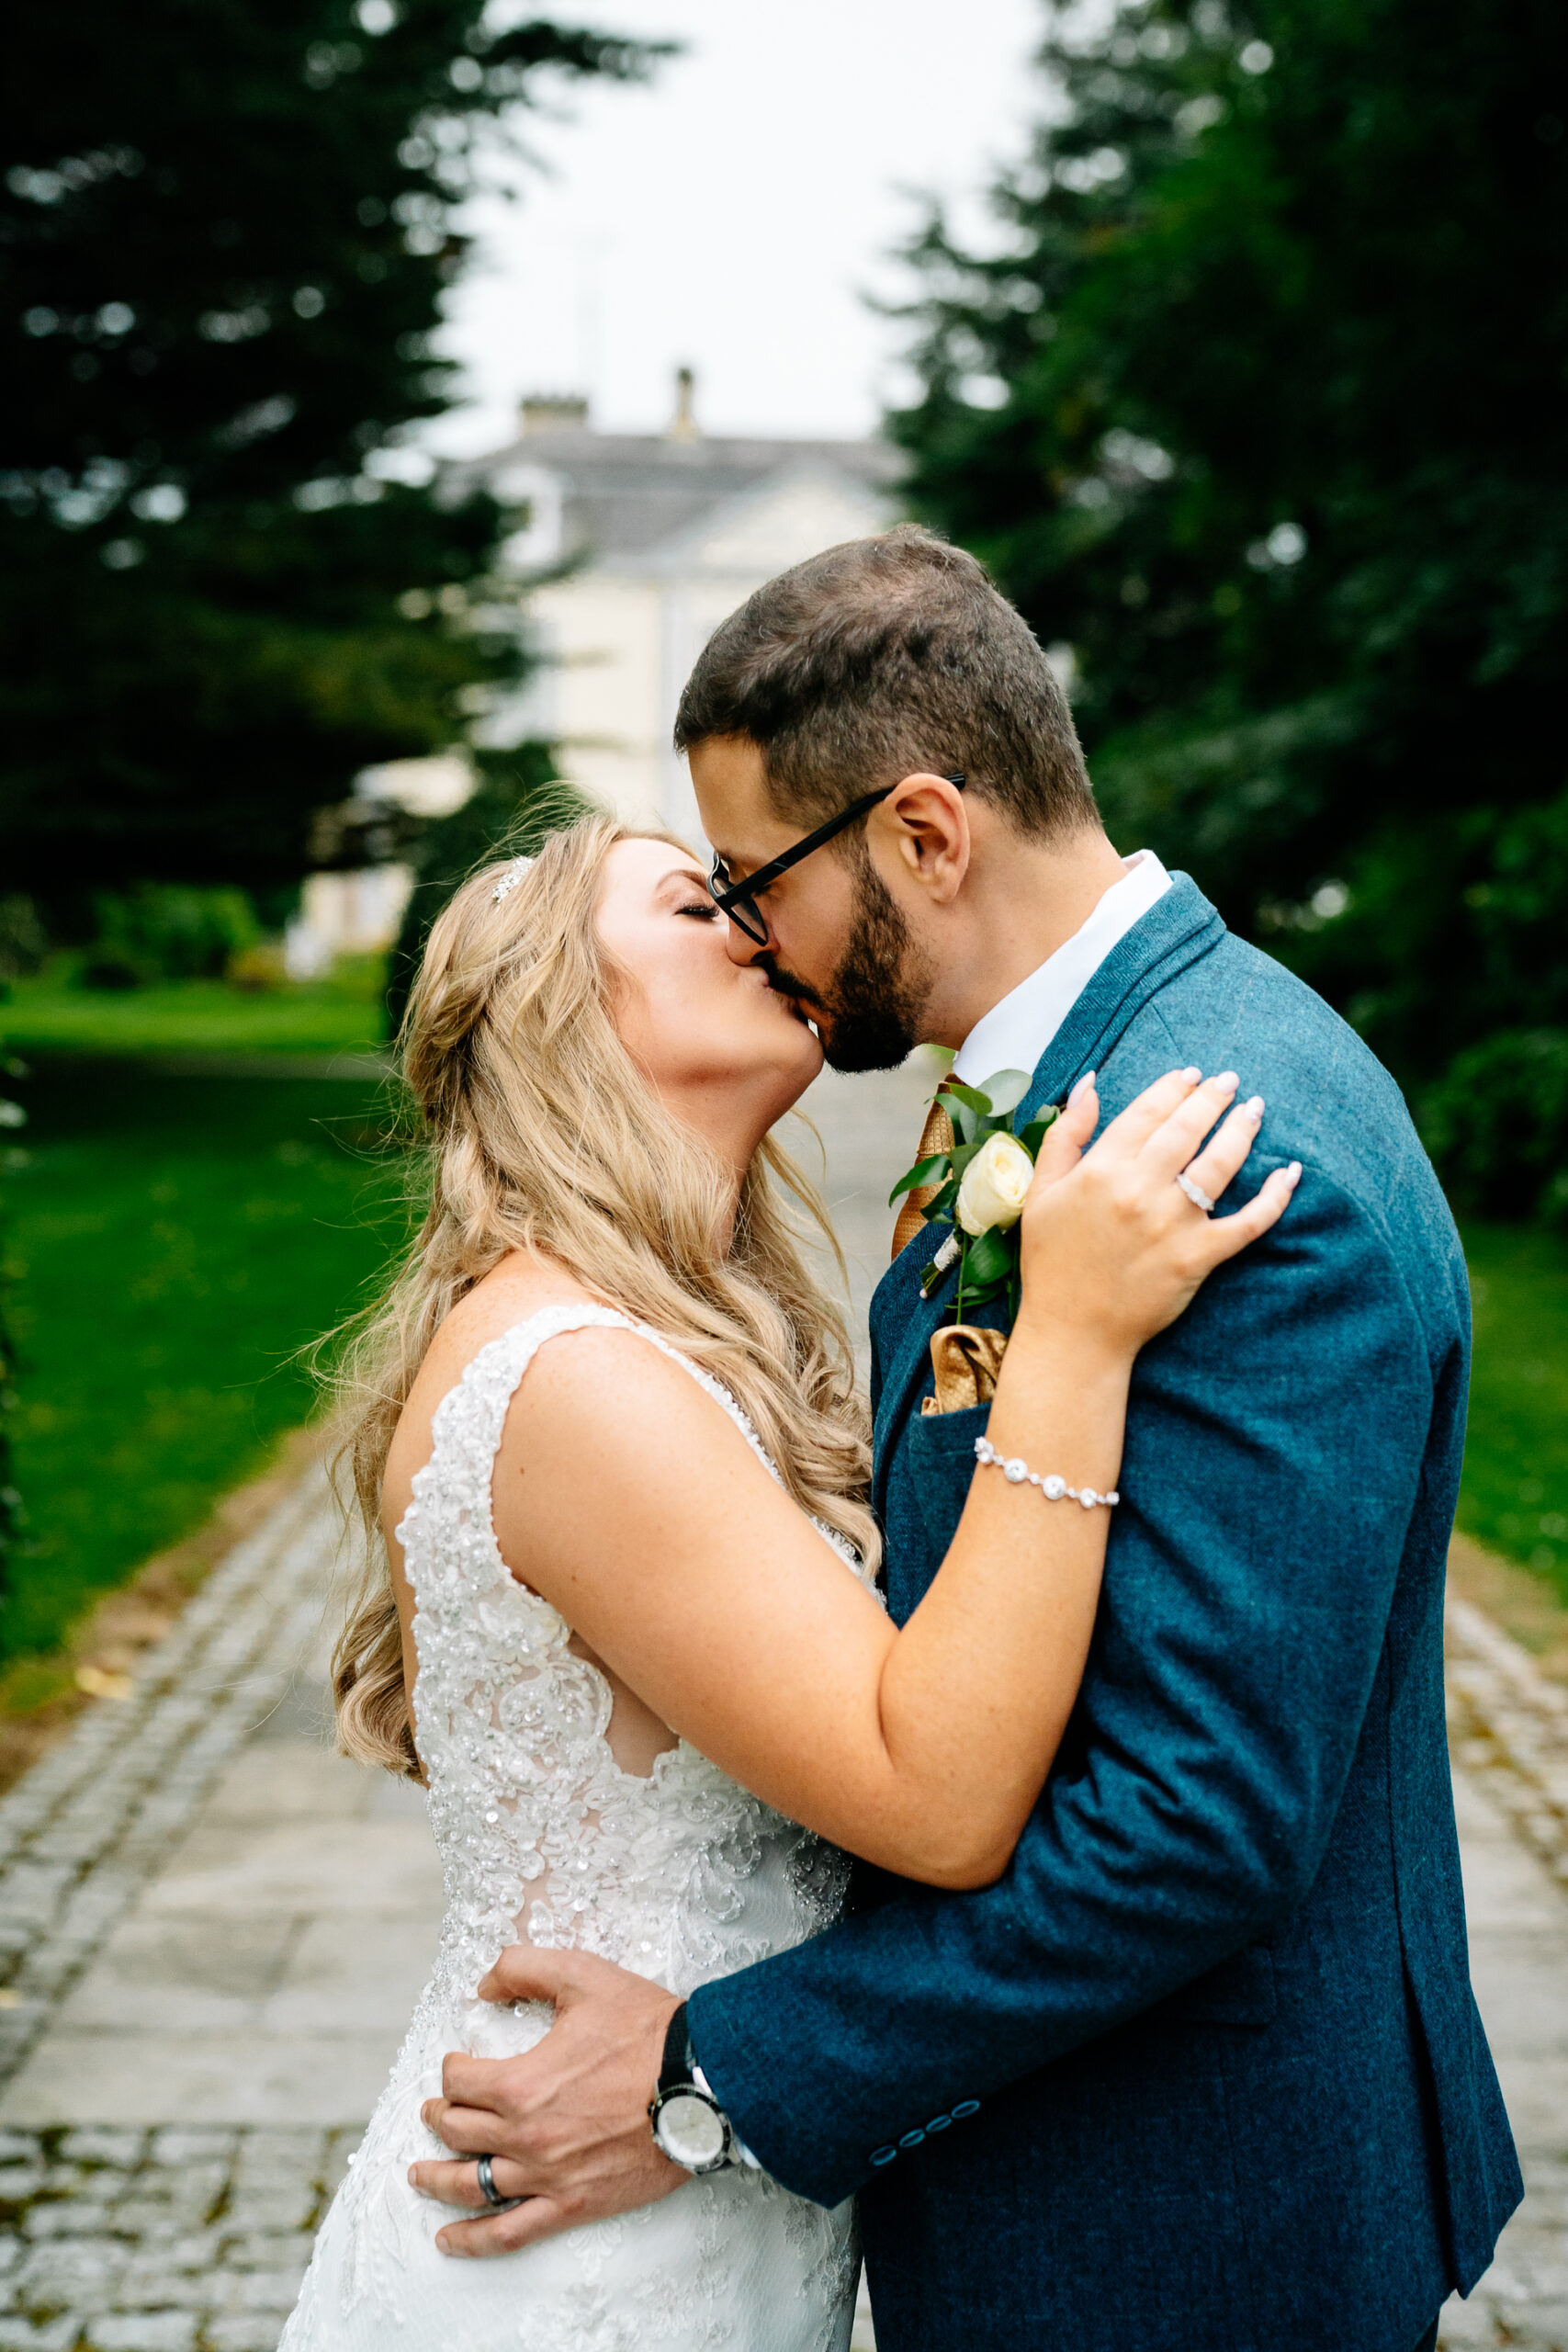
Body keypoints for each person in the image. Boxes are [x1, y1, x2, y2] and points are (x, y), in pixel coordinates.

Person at [410, 529, 1521, 2352]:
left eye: (754, 876)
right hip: (1054, 2176)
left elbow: (1189, 1820)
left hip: (1178, 2216)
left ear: (924, 837)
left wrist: (707, 2066)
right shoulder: (1058, 1092)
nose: (747, 929)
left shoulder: (1229, 1151)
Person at [278, 808, 1289, 2351]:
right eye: (702, 904)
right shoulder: (577, 1380)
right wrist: (1074, 1341)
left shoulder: (651, 1338)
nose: (764, 926)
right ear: (565, 1006)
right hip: (578, 2255)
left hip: (686, 2198)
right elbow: (936, 1800)